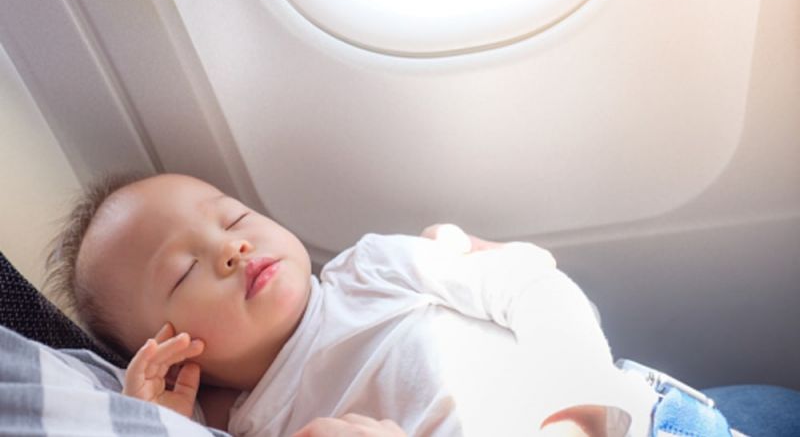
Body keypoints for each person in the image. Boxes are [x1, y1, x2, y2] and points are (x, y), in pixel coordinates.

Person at [45, 173, 737, 437]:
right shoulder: (244, 429)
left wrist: (583, 406)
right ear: (169, 347)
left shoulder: (370, 267)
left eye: (232, 219)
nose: (231, 251)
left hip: (631, 424)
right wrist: (154, 423)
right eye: (186, 270)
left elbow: (529, 284)